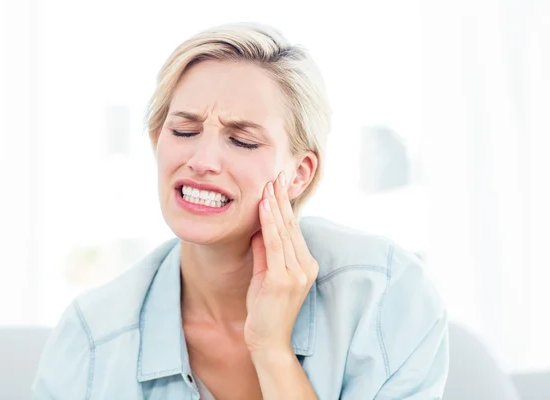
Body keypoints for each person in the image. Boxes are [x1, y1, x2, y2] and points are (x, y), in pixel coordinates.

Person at [32, 22, 448, 399]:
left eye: (243, 140)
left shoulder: (387, 298)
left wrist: (271, 352)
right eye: (184, 130)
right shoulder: (90, 340)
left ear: (299, 173)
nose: (202, 159)